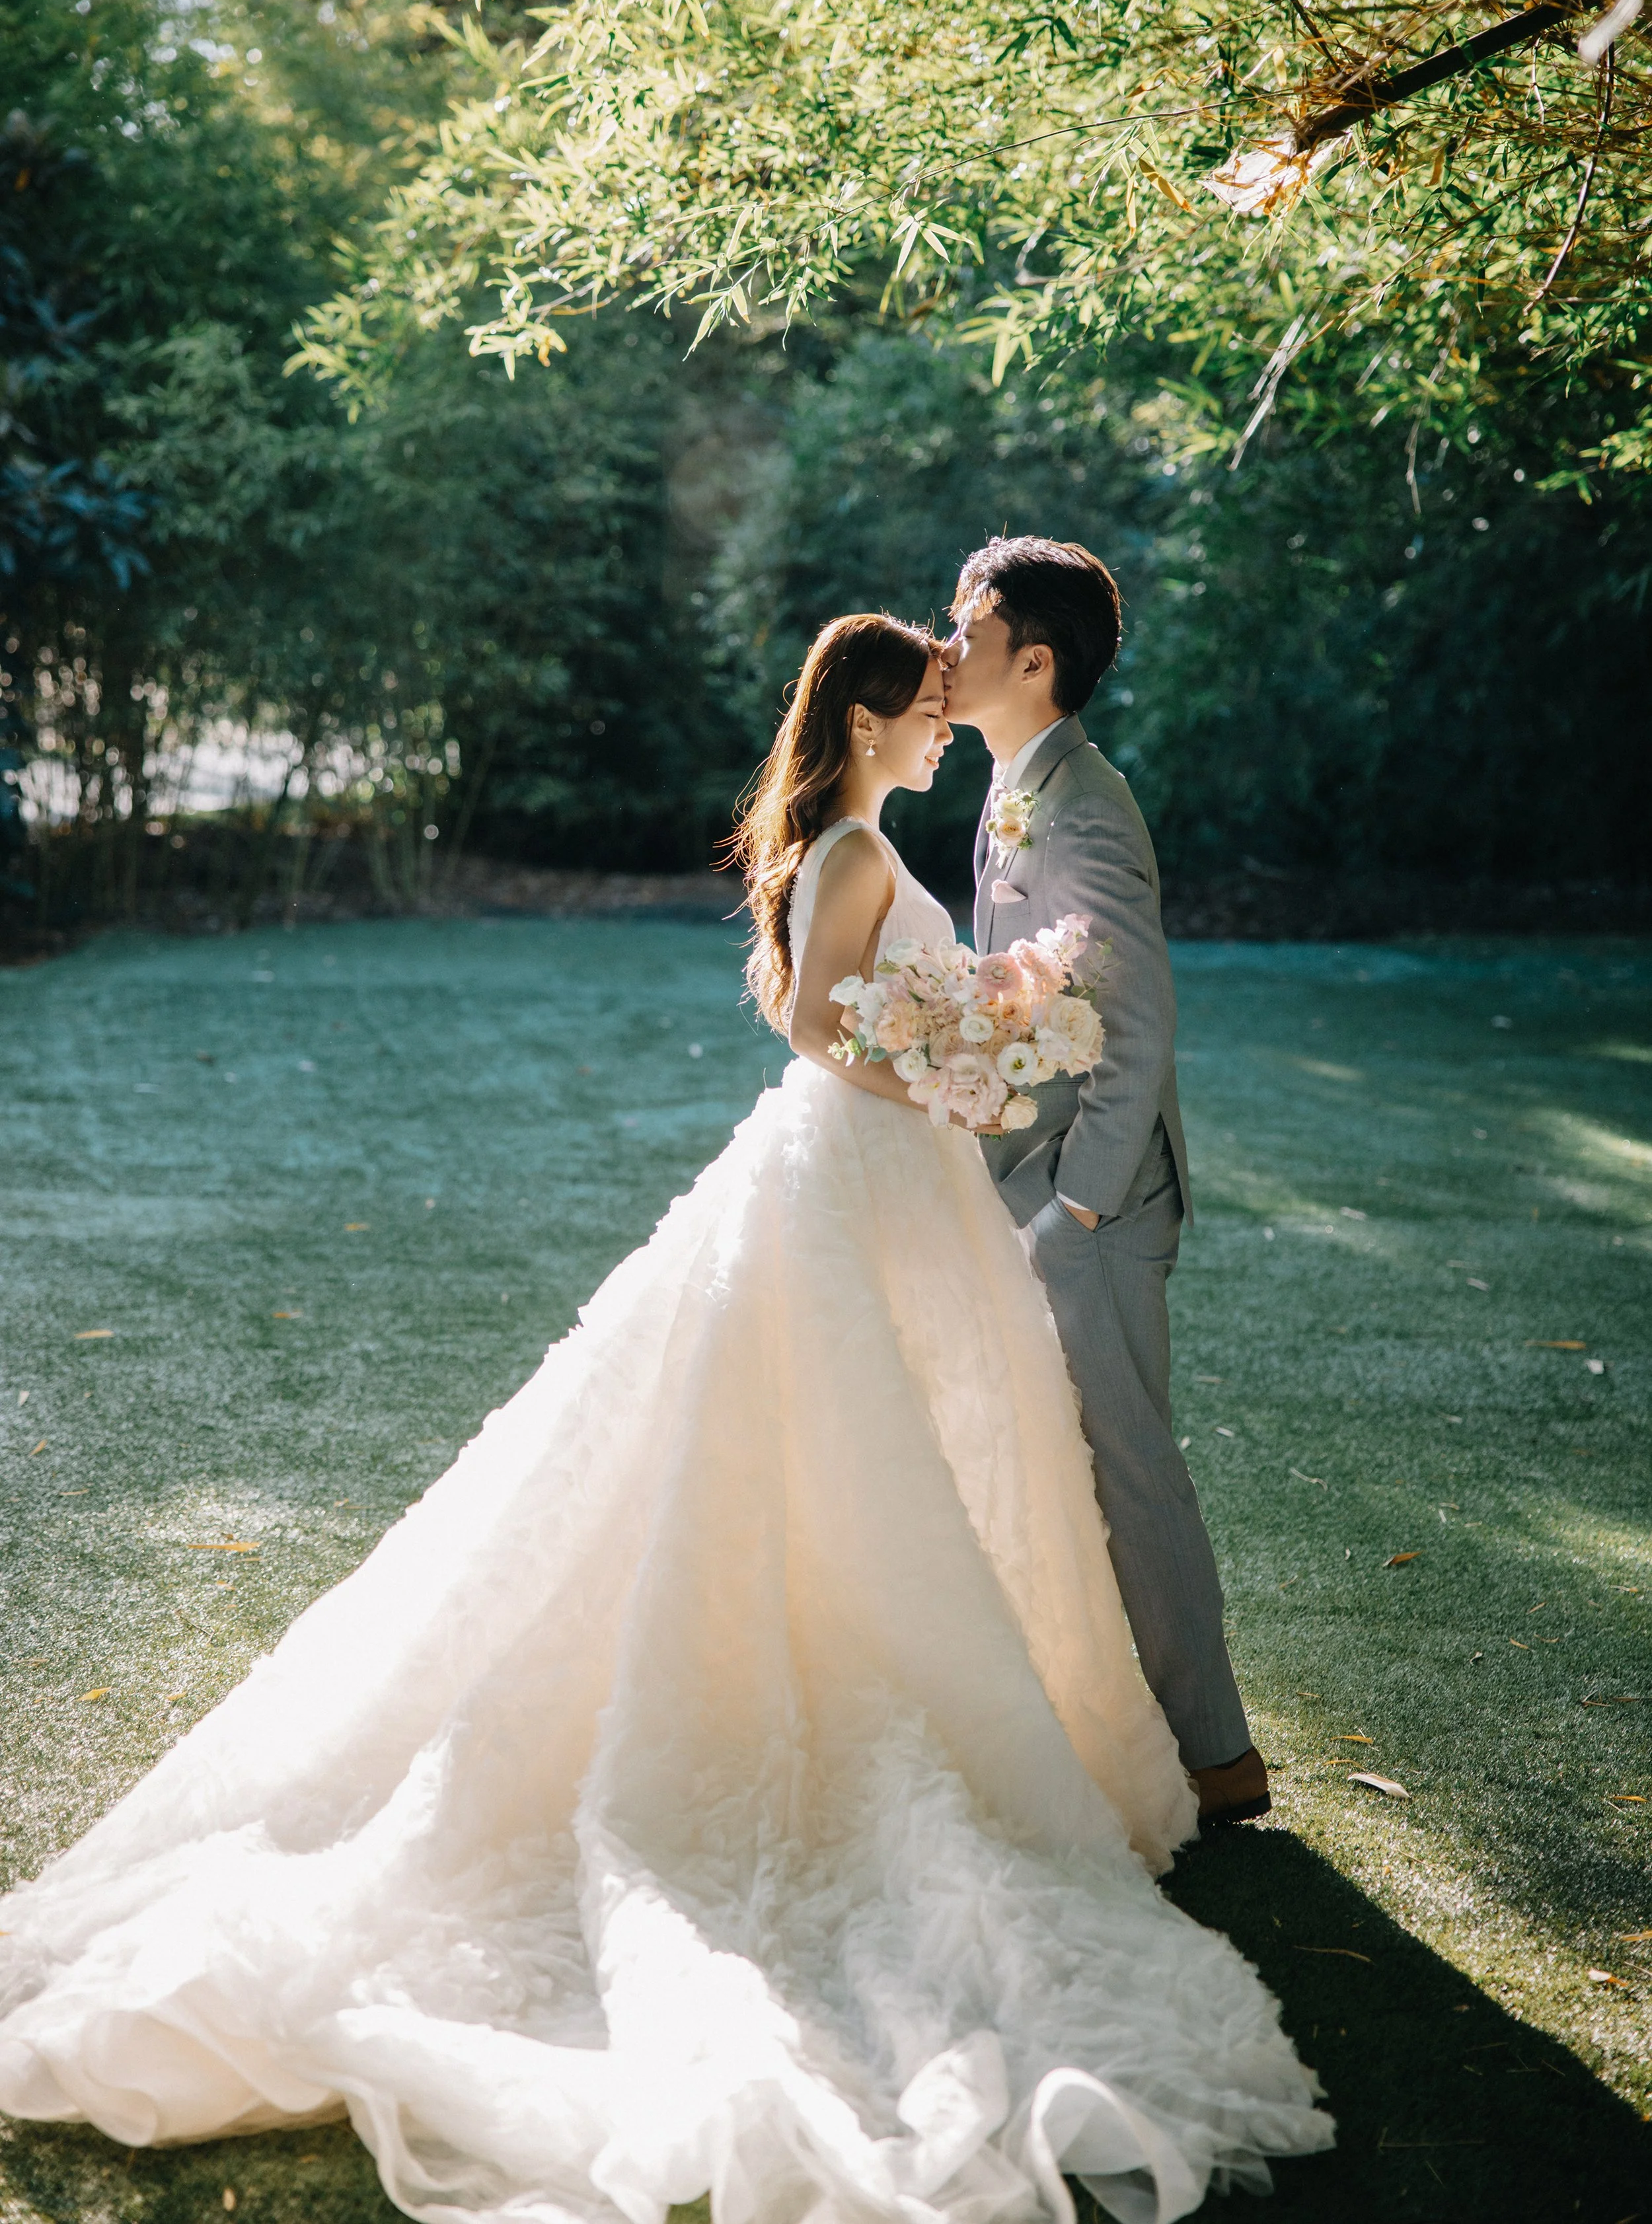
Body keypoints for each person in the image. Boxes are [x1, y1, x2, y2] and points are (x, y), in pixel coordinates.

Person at [0, 614, 1330, 2224]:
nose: (936, 725)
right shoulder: (848, 848)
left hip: (894, 1190)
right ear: (856, 715)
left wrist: (977, 1031)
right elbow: (813, 1022)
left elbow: (877, 1008)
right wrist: (949, 1070)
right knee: (823, 1446)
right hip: (849, 1176)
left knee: (919, 1443)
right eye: (917, 706)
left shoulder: (867, 838)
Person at [941, 538, 1268, 1826]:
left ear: (1035, 660)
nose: (943, 648)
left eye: (965, 632)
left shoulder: (1078, 801)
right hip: (1035, 1176)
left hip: (1099, 1199)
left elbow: (1134, 1026)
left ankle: (1216, 1753)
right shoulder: (1016, 778)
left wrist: (1076, 1203)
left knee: (1129, 1467)